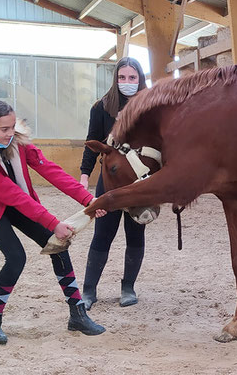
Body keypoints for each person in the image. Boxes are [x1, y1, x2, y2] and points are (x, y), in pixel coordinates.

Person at [0, 98, 107, 345]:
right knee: (15, 257)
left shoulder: (17, 141)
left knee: (58, 246)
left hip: (18, 200)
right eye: (4, 129)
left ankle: (77, 315)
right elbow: (10, 194)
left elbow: (50, 170)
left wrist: (89, 200)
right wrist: (54, 223)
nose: (11, 133)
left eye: (13, 126)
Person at [79, 57, 147, 310]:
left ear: (140, 79)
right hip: (109, 180)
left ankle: (128, 287)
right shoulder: (101, 108)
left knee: (135, 233)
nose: (127, 83)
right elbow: (92, 141)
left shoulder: (152, 107)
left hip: (139, 182)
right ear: (115, 79)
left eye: (132, 78)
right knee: (102, 234)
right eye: (122, 78)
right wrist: (85, 174)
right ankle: (88, 290)